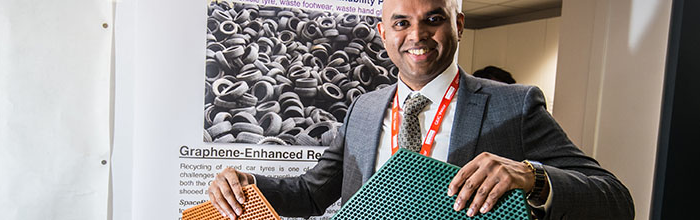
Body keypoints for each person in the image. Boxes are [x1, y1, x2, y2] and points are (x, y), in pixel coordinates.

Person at [208, 0, 635, 219]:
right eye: (401, 22)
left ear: (459, 25)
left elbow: (614, 200)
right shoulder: (364, 109)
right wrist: (247, 185)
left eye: (433, 19)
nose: (418, 35)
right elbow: (312, 191)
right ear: (382, 32)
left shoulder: (513, 104)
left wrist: (533, 176)